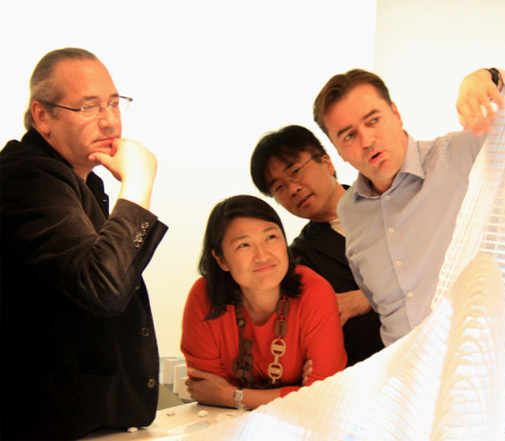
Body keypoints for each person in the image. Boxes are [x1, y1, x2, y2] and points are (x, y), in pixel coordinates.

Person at [0, 48, 167, 440]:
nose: (109, 120)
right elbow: (104, 287)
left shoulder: (81, 180)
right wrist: (138, 182)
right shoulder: (26, 177)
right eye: (88, 107)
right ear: (43, 116)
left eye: (113, 103)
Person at [312, 67, 505, 346]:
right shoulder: (349, 210)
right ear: (338, 151)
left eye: (373, 120)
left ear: (396, 114)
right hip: (400, 364)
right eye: (349, 136)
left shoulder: (458, 155)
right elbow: (381, 300)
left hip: (472, 354)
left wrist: (487, 77)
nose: (367, 141)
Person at [181, 195, 346, 410]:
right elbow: (207, 390)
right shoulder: (205, 297)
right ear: (221, 260)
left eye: (270, 237)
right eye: (244, 245)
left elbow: (324, 396)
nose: (262, 256)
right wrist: (297, 394)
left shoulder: (314, 291)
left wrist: (231, 395)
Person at [250, 125, 384, 366]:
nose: (293, 189)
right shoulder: (298, 261)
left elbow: (438, 267)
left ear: (326, 162)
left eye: (295, 171)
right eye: (279, 187)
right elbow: (342, 333)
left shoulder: (388, 199)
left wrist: (368, 298)